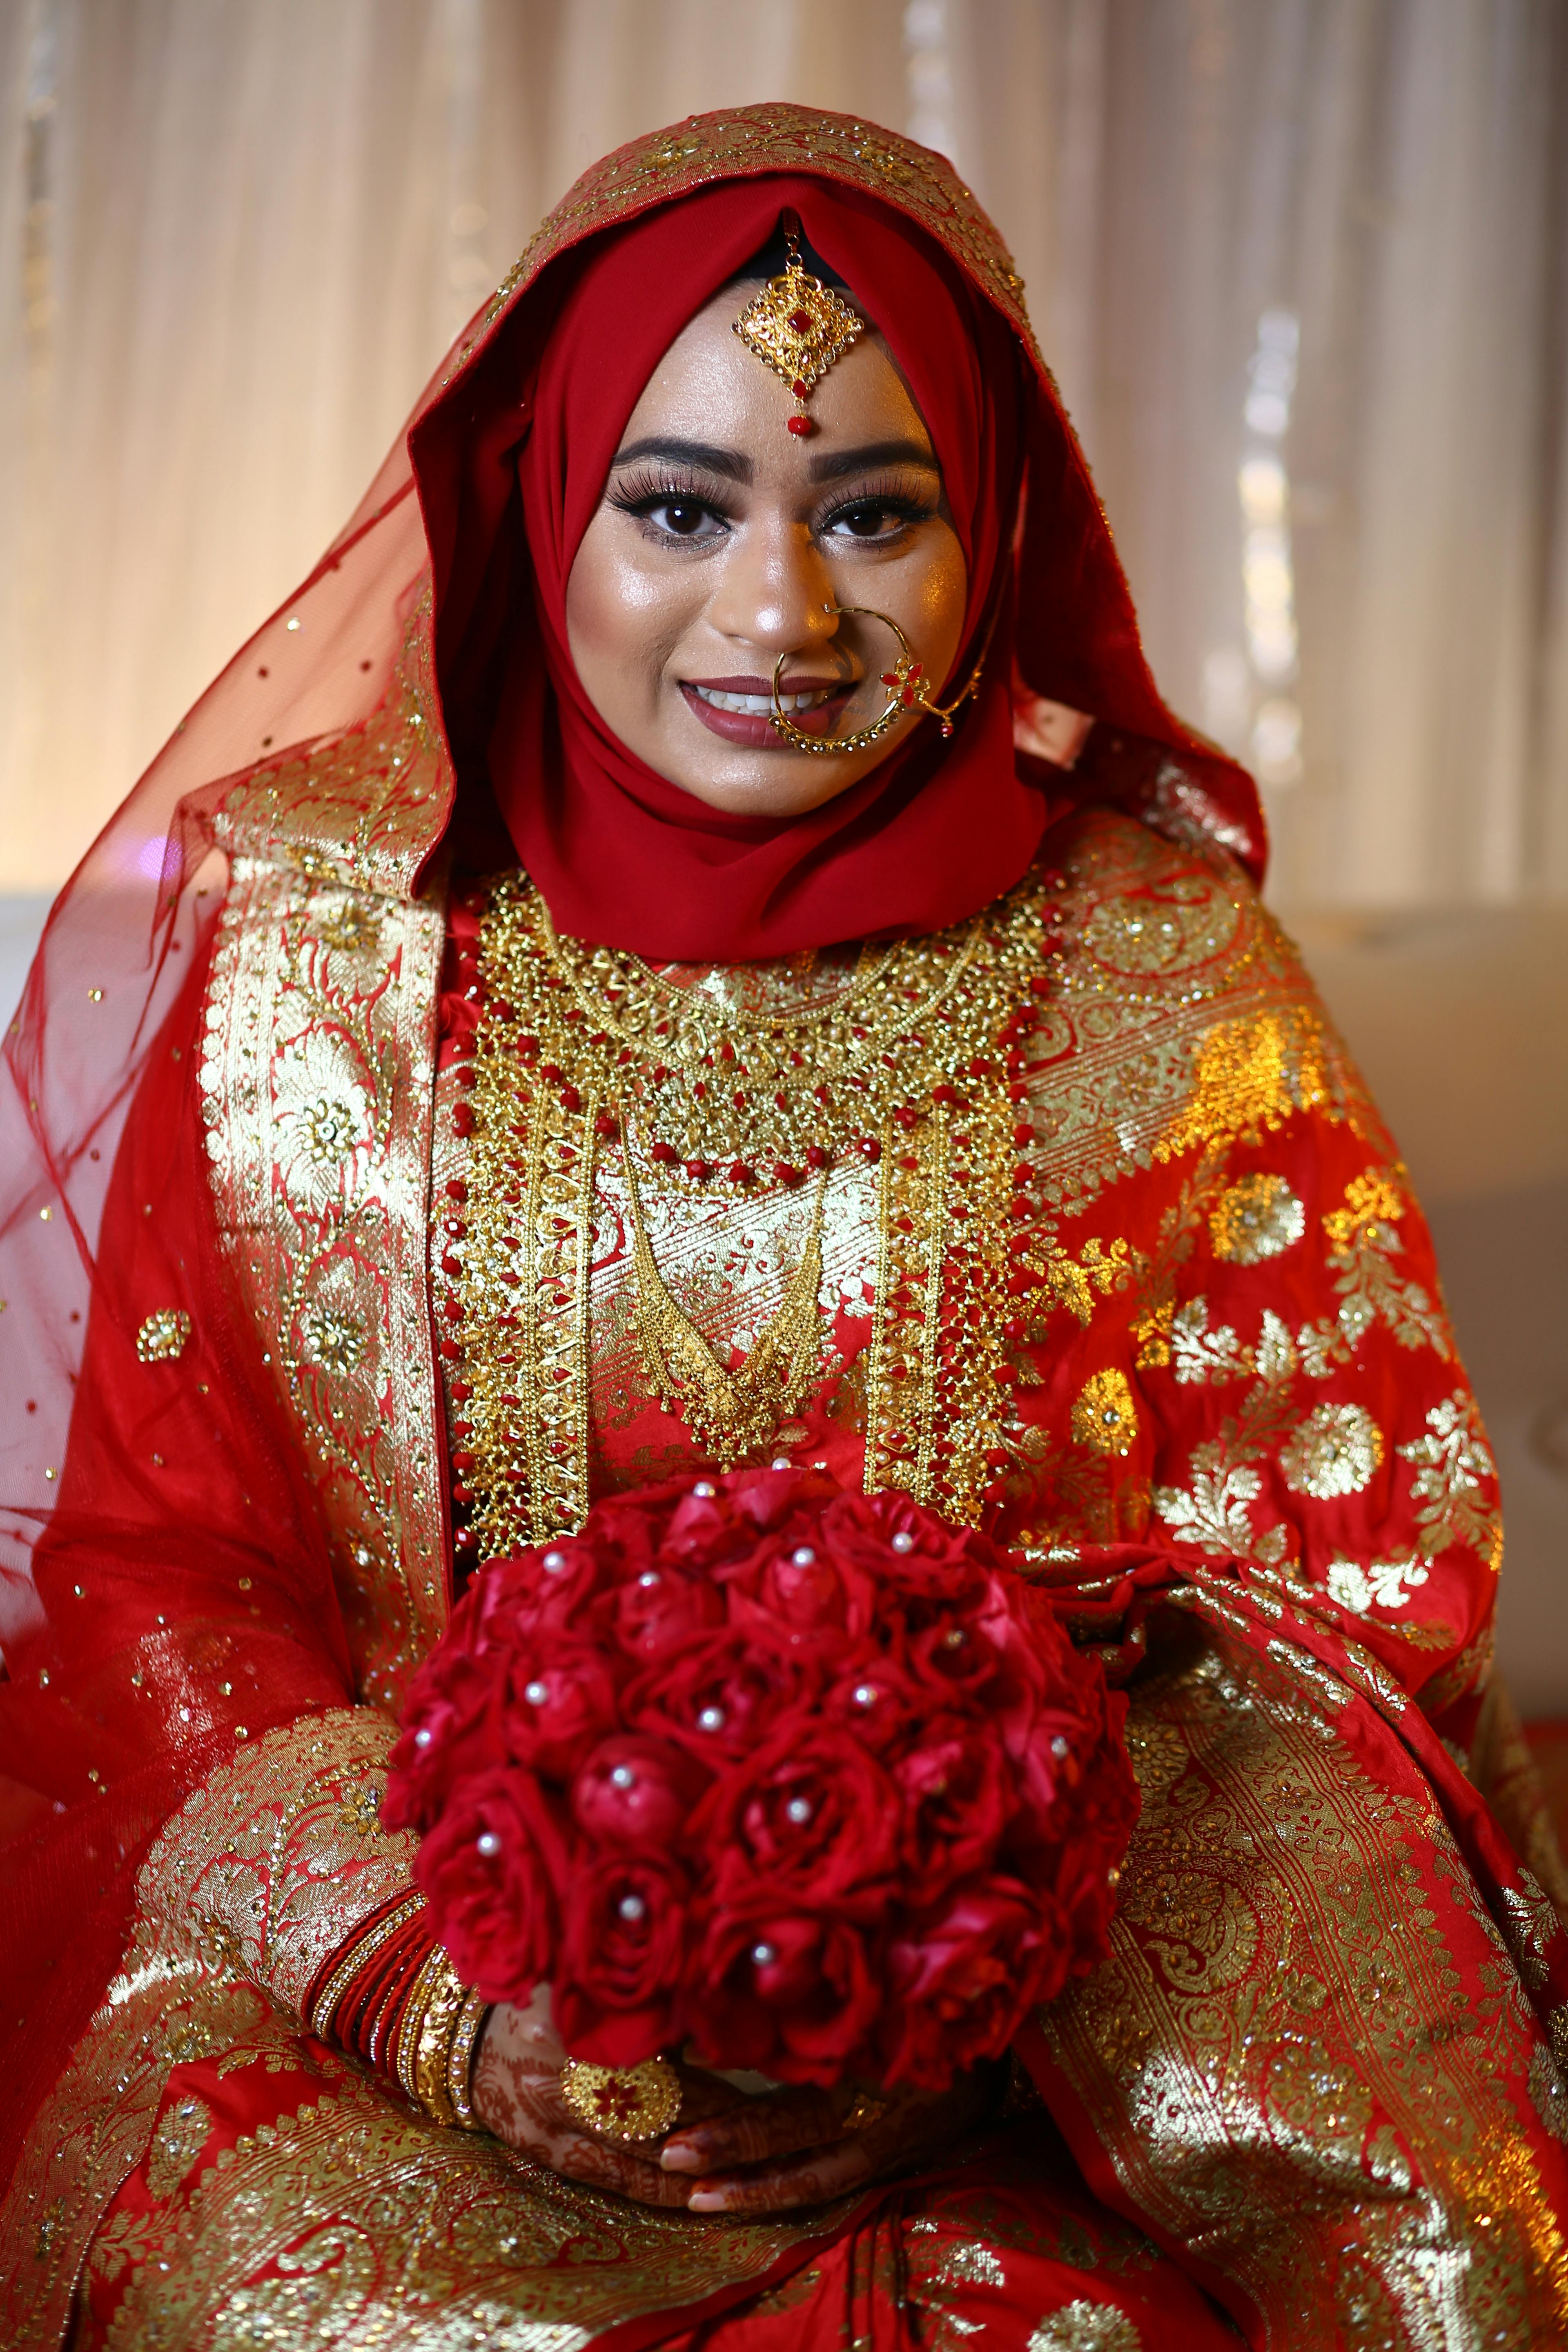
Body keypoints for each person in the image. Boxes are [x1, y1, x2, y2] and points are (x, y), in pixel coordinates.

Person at [2, 102, 1566, 2351]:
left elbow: (1337, 1629)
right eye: (680, 507)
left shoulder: (1159, 966)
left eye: (874, 514)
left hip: (1042, 2063)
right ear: (543, 511)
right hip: (430, 2041)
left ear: (991, 536)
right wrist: (463, 1994)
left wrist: (968, 1973)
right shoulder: (329, 943)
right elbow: (169, 1573)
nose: (784, 613)